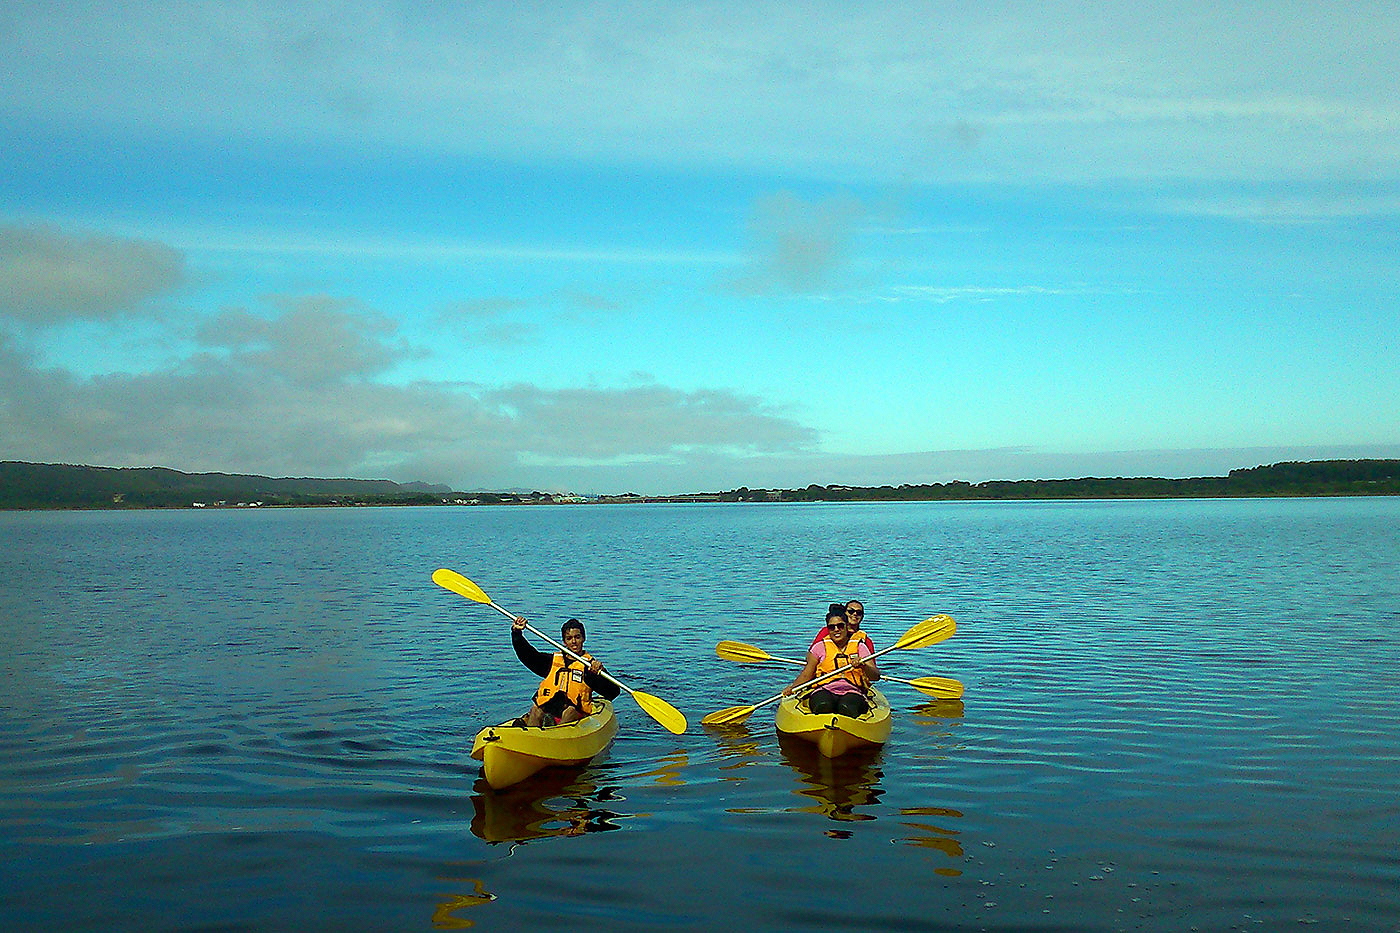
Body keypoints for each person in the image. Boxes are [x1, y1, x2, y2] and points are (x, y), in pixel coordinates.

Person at [510, 616, 620, 727]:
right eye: (569, 638)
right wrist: (517, 633)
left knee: (570, 711)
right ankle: (532, 736)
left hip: (576, 713)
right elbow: (528, 655)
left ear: (583, 639)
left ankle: (556, 737)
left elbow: (613, 692)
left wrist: (598, 674)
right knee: (535, 710)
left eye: (577, 637)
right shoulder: (552, 661)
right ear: (564, 641)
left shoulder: (589, 667)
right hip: (552, 708)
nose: (574, 642)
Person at [786, 603, 880, 717]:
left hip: (853, 691)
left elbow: (875, 676)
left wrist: (863, 666)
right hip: (824, 689)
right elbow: (807, 674)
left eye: (840, 626)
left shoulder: (860, 647)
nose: (836, 630)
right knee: (824, 704)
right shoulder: (819, 647)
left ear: (846, 626)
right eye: (832, 627)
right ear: (828, 629)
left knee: (846, 707)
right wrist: (792, 688)